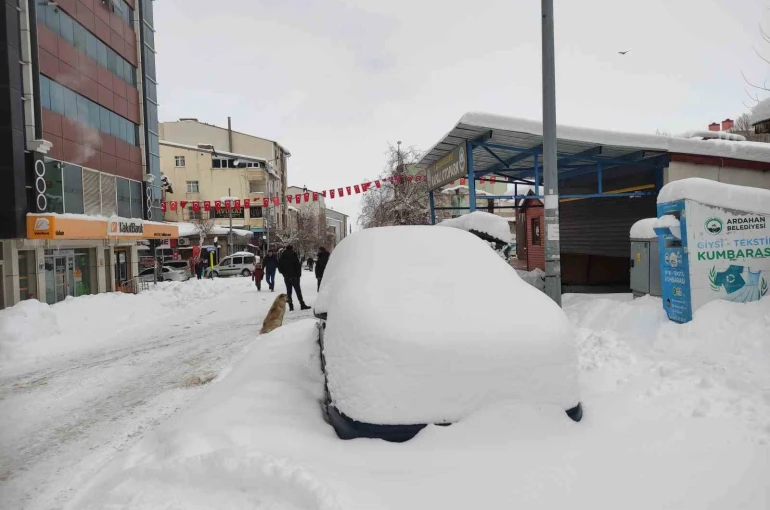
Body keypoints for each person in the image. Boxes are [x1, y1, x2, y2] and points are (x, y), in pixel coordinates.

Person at [277, 244, 310, 311]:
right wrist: (298, 275)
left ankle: (291, 306)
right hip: (294, 277)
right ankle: (302, 304)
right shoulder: (293, 256)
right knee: (298, 291)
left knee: (289, 292)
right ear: (292, 249)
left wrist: (284, 274)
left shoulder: (282, 257)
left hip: (287, 277)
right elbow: (297, 267)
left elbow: (279, 268)